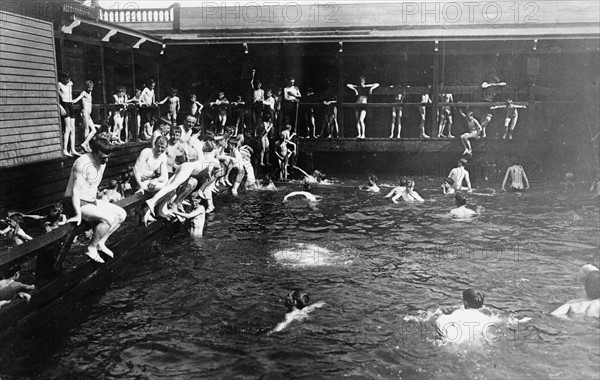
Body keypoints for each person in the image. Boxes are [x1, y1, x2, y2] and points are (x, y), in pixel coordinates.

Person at [63, 137, 127, 263]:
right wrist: (77, 214)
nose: (106, 160)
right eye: (104, 157)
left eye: (108, 157)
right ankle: (91, 248)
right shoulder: (82, 164)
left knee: (121, 215)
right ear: (96, 152)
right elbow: (75, 191)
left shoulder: (102, 161)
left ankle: (100, 243)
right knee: (108, 219)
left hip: (91, 200)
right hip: (75, 202)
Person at [436, 289, 500, 344]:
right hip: (477, 341)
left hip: (457, 341)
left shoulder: (459, 312)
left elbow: (440, 322)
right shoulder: (487, 318)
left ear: (465, 302)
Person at [58, 70, 80, 157]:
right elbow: (56, 97)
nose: (68, 80)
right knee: (67, 128)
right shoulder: (59, 85)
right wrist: (61, 107)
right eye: (66, 79)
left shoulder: (70, 84)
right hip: (65, 105)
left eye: (69, 78)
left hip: (71, 105)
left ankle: (72, 149)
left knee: (73, 128)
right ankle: (65, 150)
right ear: (62, 78)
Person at [74, 80, 97, 153]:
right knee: (86, 129)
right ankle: (86, 146)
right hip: (85, 112)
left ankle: (85, 144)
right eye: (89, 87)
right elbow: (77, 99)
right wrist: (70, 101)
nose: (91, 89)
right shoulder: (84, 93)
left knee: (94, 130)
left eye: (92, 87)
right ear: (86, 87)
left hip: (88, 114)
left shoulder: (91, 93)